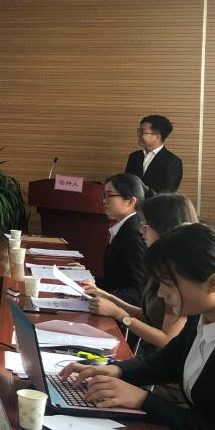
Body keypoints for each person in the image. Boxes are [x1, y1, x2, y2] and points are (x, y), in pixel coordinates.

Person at [60, 223, 215, 430]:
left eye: (168, 283)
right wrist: (116, 370)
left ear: (213, 284)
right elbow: (168, 361)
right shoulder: (203, 309)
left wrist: (144, 400)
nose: (160, 293)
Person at [83, 193, 197, 352]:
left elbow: (167, 340)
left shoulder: (180, 273)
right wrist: (109, 297)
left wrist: (120, 315)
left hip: (157, 359)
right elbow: (148, 316)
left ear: (165, 227)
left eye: (147, 224)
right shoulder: (160, 264)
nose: (141, 230)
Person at [96, 173, 147, 306]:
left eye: (109, 195)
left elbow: (139, 290)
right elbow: (115, 280)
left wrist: (106, 297)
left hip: (124, 312)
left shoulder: (133, 235)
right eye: (104, 195)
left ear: (131, 201)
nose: (104, 201)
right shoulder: (125, 228)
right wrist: (86, 279)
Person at [125, 114, 183, 192]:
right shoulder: (134, 156)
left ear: (157, 136)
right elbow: (126, 185)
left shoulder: (172, 162)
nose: (139, 135)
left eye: (142, 132)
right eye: (139, 131)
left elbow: (167, 193)